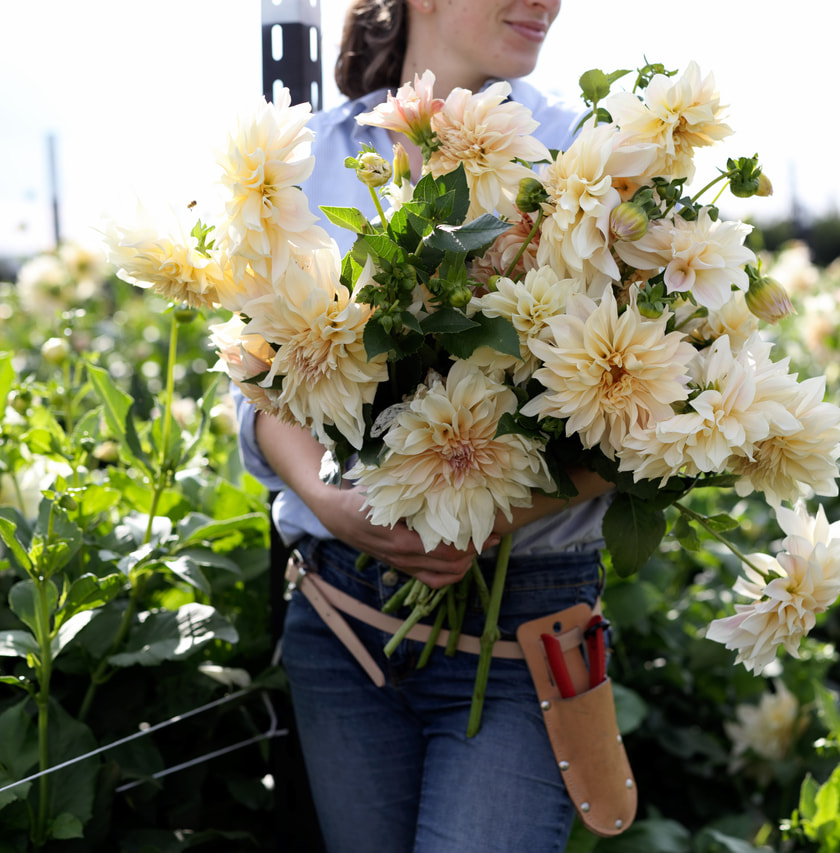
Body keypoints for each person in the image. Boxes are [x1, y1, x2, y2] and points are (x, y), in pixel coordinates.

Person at [233, 1, 615, 850]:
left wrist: (478, 517)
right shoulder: (305, 157)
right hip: (340, 617)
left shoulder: (590, 156)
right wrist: (330, 503)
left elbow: (650, 415)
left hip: (527, 619)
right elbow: (254, 380)